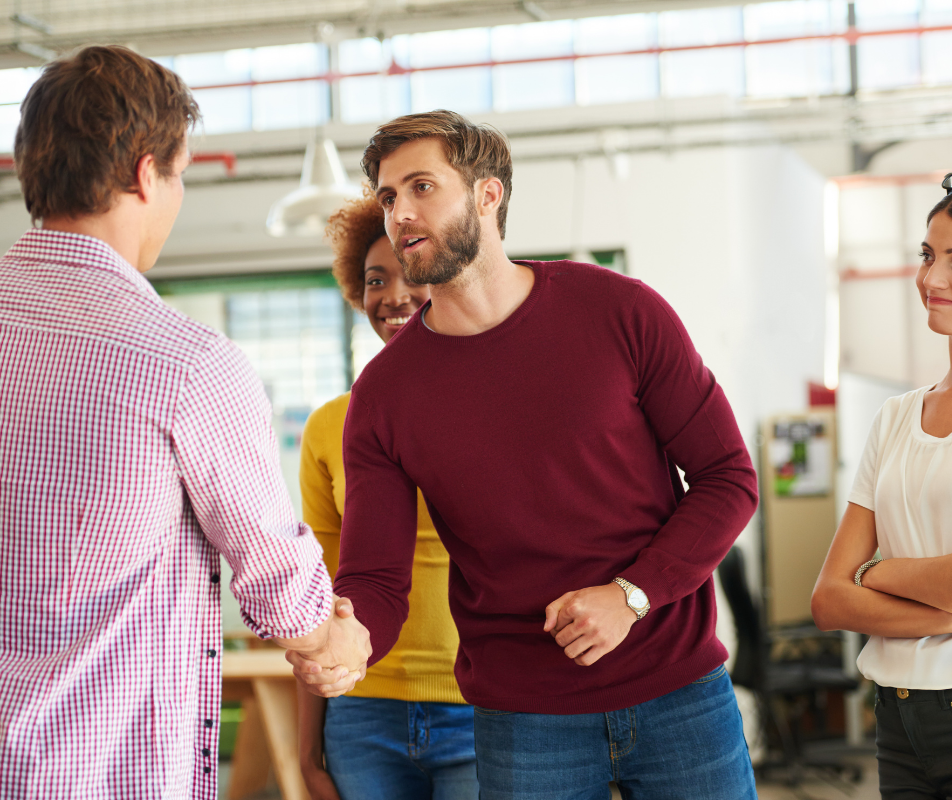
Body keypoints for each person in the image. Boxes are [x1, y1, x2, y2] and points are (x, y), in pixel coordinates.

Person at [290, 110, 760, 799]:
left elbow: (728, 478)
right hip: (523, 719)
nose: (400, 213)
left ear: (489, 194)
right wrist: (350, 640)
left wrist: (633, 595)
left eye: (422, 187)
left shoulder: (621, 311)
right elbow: (378, 578)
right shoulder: (384, 396)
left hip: (679, 690)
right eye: (389, 197)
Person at [0, 45, 368, 799]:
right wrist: (338, 642)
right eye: (181, 175)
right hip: (97, 769)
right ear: (144, 171)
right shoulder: (185, 364)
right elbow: (278, 587)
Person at [812, 172, 952, 798]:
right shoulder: (895, 417)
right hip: (896, 713)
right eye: (927, 255)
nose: (931, 279)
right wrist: (934, 596)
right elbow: (829, 600)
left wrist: (878, 572)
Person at [297, 193, 478, 800]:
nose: (393, 295)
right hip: (361, 713)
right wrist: (306, 746)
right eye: (376, 279)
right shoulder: (329, 427)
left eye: (410, 274)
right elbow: (318, 592)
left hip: (480, 704)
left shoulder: (495, 407)